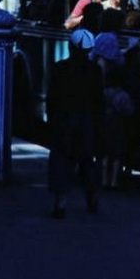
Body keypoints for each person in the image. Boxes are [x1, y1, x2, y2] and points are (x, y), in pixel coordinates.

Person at [47, 28, 104, 218]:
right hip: (87, 120)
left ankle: (61, 201)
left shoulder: (59, 68)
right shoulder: (95, 71)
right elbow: (98, 101)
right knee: (87, 160)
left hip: (64, 119)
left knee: (61, 160)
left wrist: (52, 120)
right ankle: (92, 197)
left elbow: (52, 98)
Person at [91, 31, 131, 188]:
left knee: (103, 153)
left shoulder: (103, 91)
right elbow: (128, 110)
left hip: (103, 121)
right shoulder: (121, 95)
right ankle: (113, 181)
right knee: (115, 154)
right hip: (117, 125)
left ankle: (102, 179)